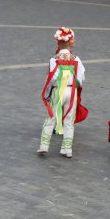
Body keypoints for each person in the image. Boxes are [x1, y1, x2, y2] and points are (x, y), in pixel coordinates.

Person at [37, 27, 88, 158]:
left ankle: (44, 146)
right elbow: (81, 78)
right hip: (71, 92)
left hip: (58, 90)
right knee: (69, 121)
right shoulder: (76, 58)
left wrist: (47, 93)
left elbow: (52, 78)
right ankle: (67, 149)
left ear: (58, 43)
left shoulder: (54, 59)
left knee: (51, 118)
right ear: (69, 42)